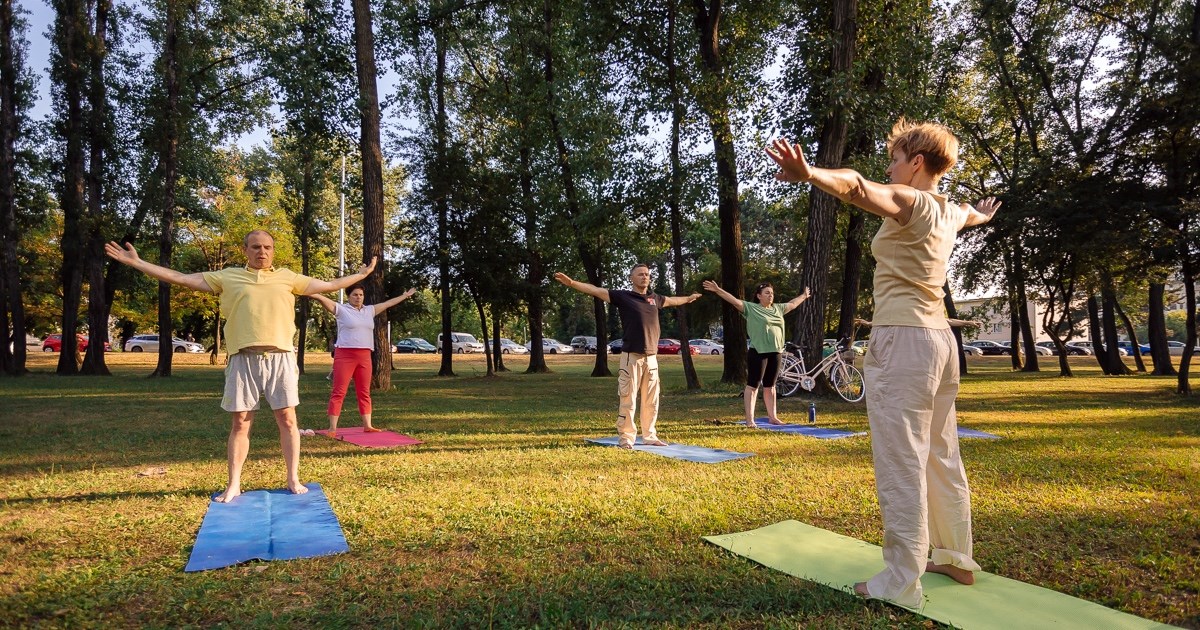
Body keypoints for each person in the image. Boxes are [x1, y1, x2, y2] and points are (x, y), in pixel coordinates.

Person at [767, 120, 1001, 607]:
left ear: (917, 163)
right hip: (940, 341)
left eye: (896, 159)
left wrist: (809, 173)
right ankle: (955, 558)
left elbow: (854, 185)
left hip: (905, 343)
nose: (890, 168)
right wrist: (981, 213)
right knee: (942, 453)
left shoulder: (911, 202)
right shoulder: (948, 211)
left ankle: (900, 581)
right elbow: (969, 216)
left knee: (902, 459)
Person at [105, 230, 377, 503]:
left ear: (273, 250)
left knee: (288, 420)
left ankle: (293, 477)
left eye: (268, 247)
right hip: (242, 358)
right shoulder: (227, 277)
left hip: (280, 358)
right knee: (240, 423)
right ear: (245, 249)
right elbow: (182, 278)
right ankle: (234, 484)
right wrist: (138, 263)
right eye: (256, 246)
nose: (262, 252)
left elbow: (331, 284)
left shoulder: (288, 278)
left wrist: (361, 275)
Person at [554, 265, 701, 449]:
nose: (644, 277)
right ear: (631, 278)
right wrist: (573, 283)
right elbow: (596, 291)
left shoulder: (655, 299)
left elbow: (673, 301)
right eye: (640, 274)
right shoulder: (623, 297)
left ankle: (650, 435)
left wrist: (688, 298)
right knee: (628, 399)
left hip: (651, 359)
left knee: (651, 401)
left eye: (647, 274)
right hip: (631, 357)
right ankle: (626, 438)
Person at [309, 286, 416, 436]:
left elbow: (388, 304)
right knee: (339, 391)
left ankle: (368, 425)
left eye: (361, 295)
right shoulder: (341, 309)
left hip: (365, 355)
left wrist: (404, 295)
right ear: (348, 296)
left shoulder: (369, 310)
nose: (358, 297)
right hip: (345, 354)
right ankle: (332, 428)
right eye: (354, 295)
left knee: (364, 392)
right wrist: (308, 290)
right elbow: (321, 298)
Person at [702, 279, 810, 426]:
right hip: (758, 352)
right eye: (767, 293)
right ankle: (750, 420)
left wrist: (804, 296)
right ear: (759, 296)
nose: (770, 295)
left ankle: (773, 417)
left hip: (776, 352)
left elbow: (792, 304)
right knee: (753, 386)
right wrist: (718, 290)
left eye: (771, 293)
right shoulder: (751, 308)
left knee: (770, 386)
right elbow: (734, 301)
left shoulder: (778, 309)